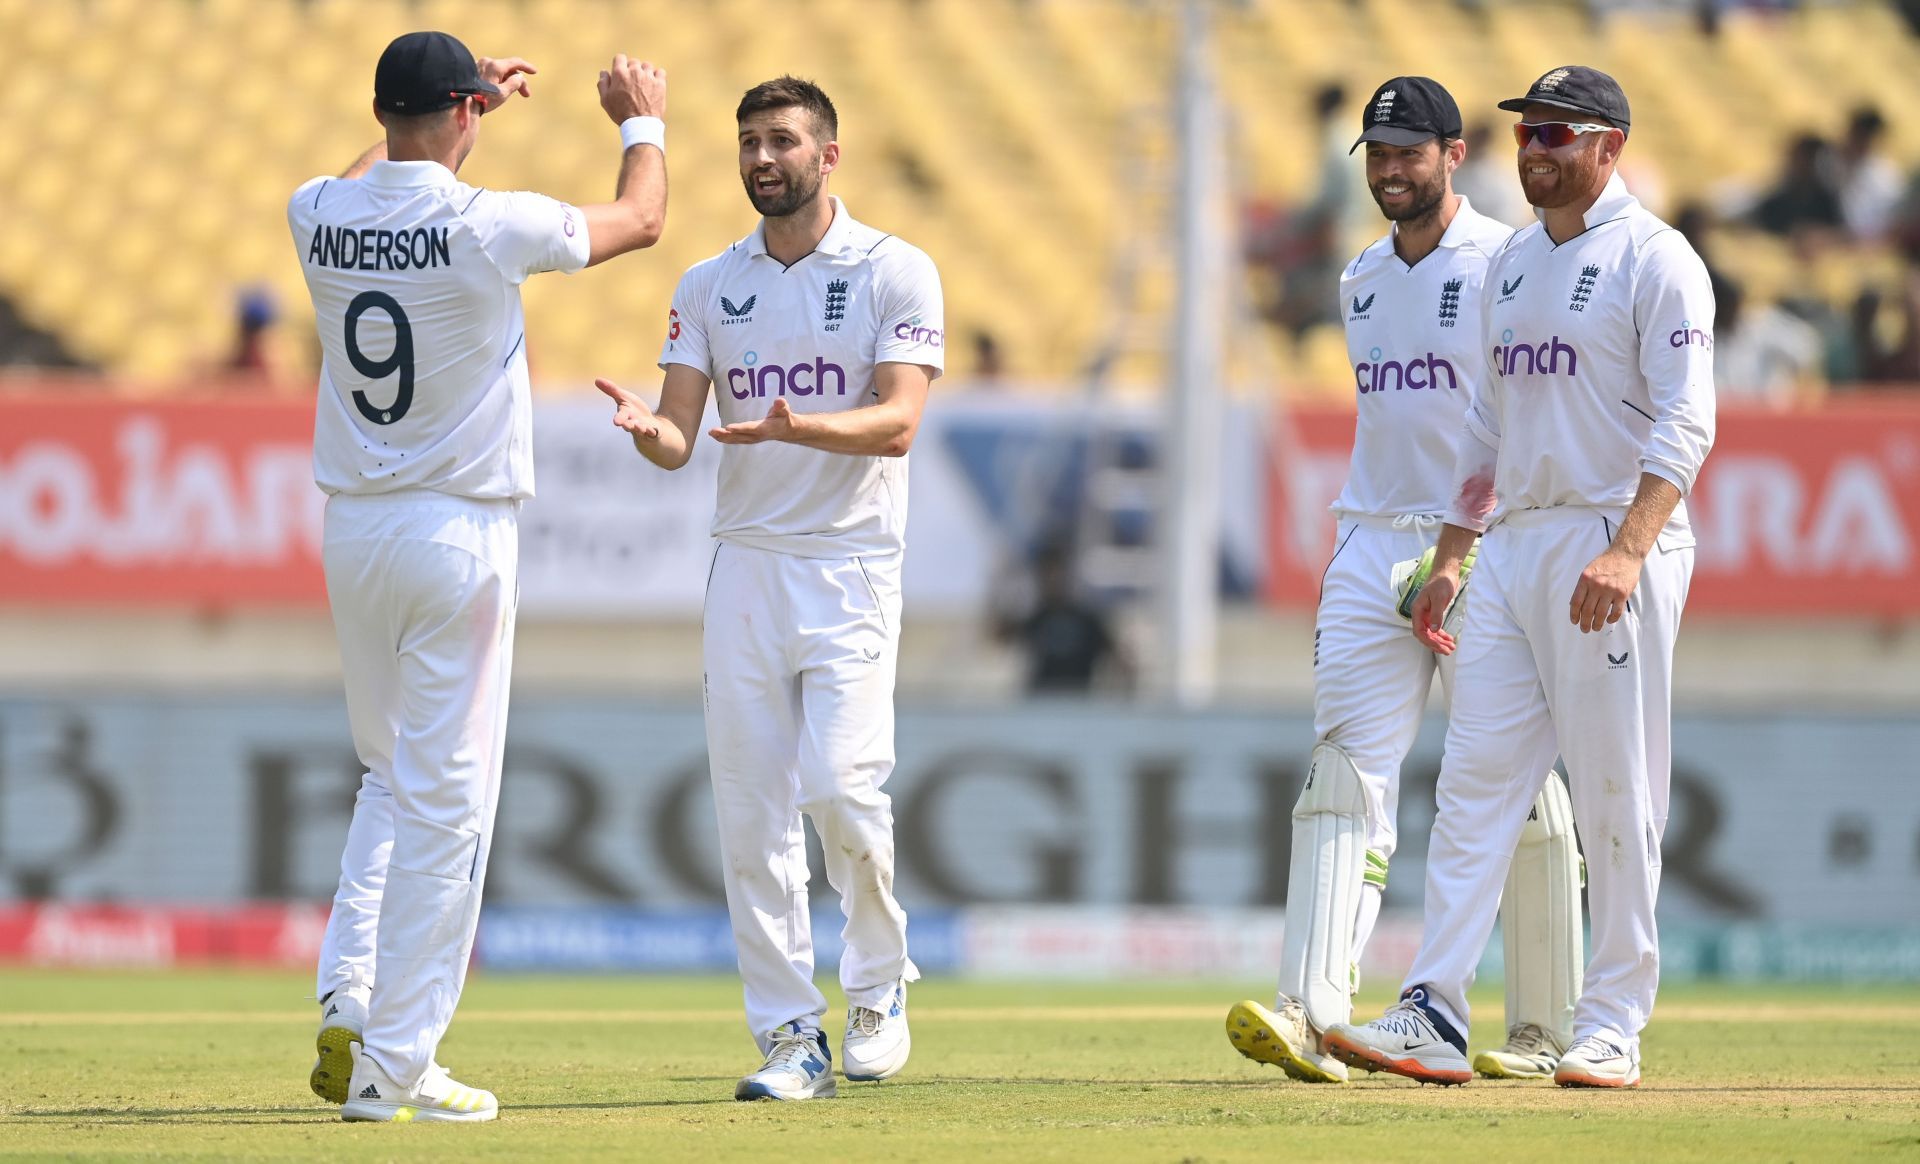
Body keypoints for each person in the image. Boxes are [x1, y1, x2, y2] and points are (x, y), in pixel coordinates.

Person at [288, 31, 668, 1122]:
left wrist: (435, 124)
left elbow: (371, 176)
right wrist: (640, 120)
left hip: (354, 529)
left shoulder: (317, 209)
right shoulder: (481, 221)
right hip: (457, 529)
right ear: (465, 113)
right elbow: (640, 218)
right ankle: (395, 1067)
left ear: (387, 111)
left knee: (387, 777)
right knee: (452, 805)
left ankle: (352, 1003)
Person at [1325, 65, 1715, 1090]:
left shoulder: (1656, 259)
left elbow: (1688, 421)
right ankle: (1434, 1010)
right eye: (1527, 135)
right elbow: (1488, 425)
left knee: (1615, 792)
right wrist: (1454, 556)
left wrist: (1628, 548)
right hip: (1516, 545)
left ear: (1608, 148)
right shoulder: (1511, 267)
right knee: (1474, 785)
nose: (1534, 151)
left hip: (1607, 539)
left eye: (1556, 134)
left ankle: (1612, 1023)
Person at [1224, 76, 1584, 1087]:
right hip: (1370, 539)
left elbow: (1522, 418)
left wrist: (1467, 545)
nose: (1389, 169)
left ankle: (1546, 1027)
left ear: (1453, 154)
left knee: (1511, 785)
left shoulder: (1510, 261)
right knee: (1342, 773)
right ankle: (1311, 1014)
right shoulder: (1360, 278)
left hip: (1486, 546)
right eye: (1376, 155)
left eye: (1407, 152)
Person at [592, 76, 942, 1102]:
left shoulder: (894, 269)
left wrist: (800, 429)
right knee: (752, 817)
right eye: (749, 141)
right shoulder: (709, 283)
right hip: (745, 561)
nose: (761, 158)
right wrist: (649, 430)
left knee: (841, 789)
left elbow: (899, 422)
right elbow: (678, 436)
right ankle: (792, 1035)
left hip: (851, 565)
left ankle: (878, 987)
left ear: (829, 154)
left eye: (782, 140)